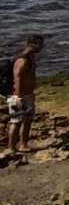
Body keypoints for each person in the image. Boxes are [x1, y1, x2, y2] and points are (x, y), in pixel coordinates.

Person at [6, 35, 39, 163]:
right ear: (32, 44)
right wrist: (18, 97)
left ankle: (23, 144)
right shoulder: (22, 60)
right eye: (40, 45)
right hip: (18, 96)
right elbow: (17, 77)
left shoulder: (31, 57)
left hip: (28, 94)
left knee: (28, 120)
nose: (41, 47)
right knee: (16, 121)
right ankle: (11, 148)